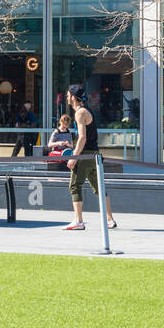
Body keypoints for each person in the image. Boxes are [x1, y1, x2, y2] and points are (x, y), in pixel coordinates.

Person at [63, 84, 116, 231]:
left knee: (75, 185)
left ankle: (78, 221)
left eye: (68, 95)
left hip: (85, 155)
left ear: (73, 97)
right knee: (99, 187)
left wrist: (74, 157)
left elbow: (82, 138)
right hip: (94, 154)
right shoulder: (87, 110)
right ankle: (109, 219)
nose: (67, 97)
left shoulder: (80, 113)